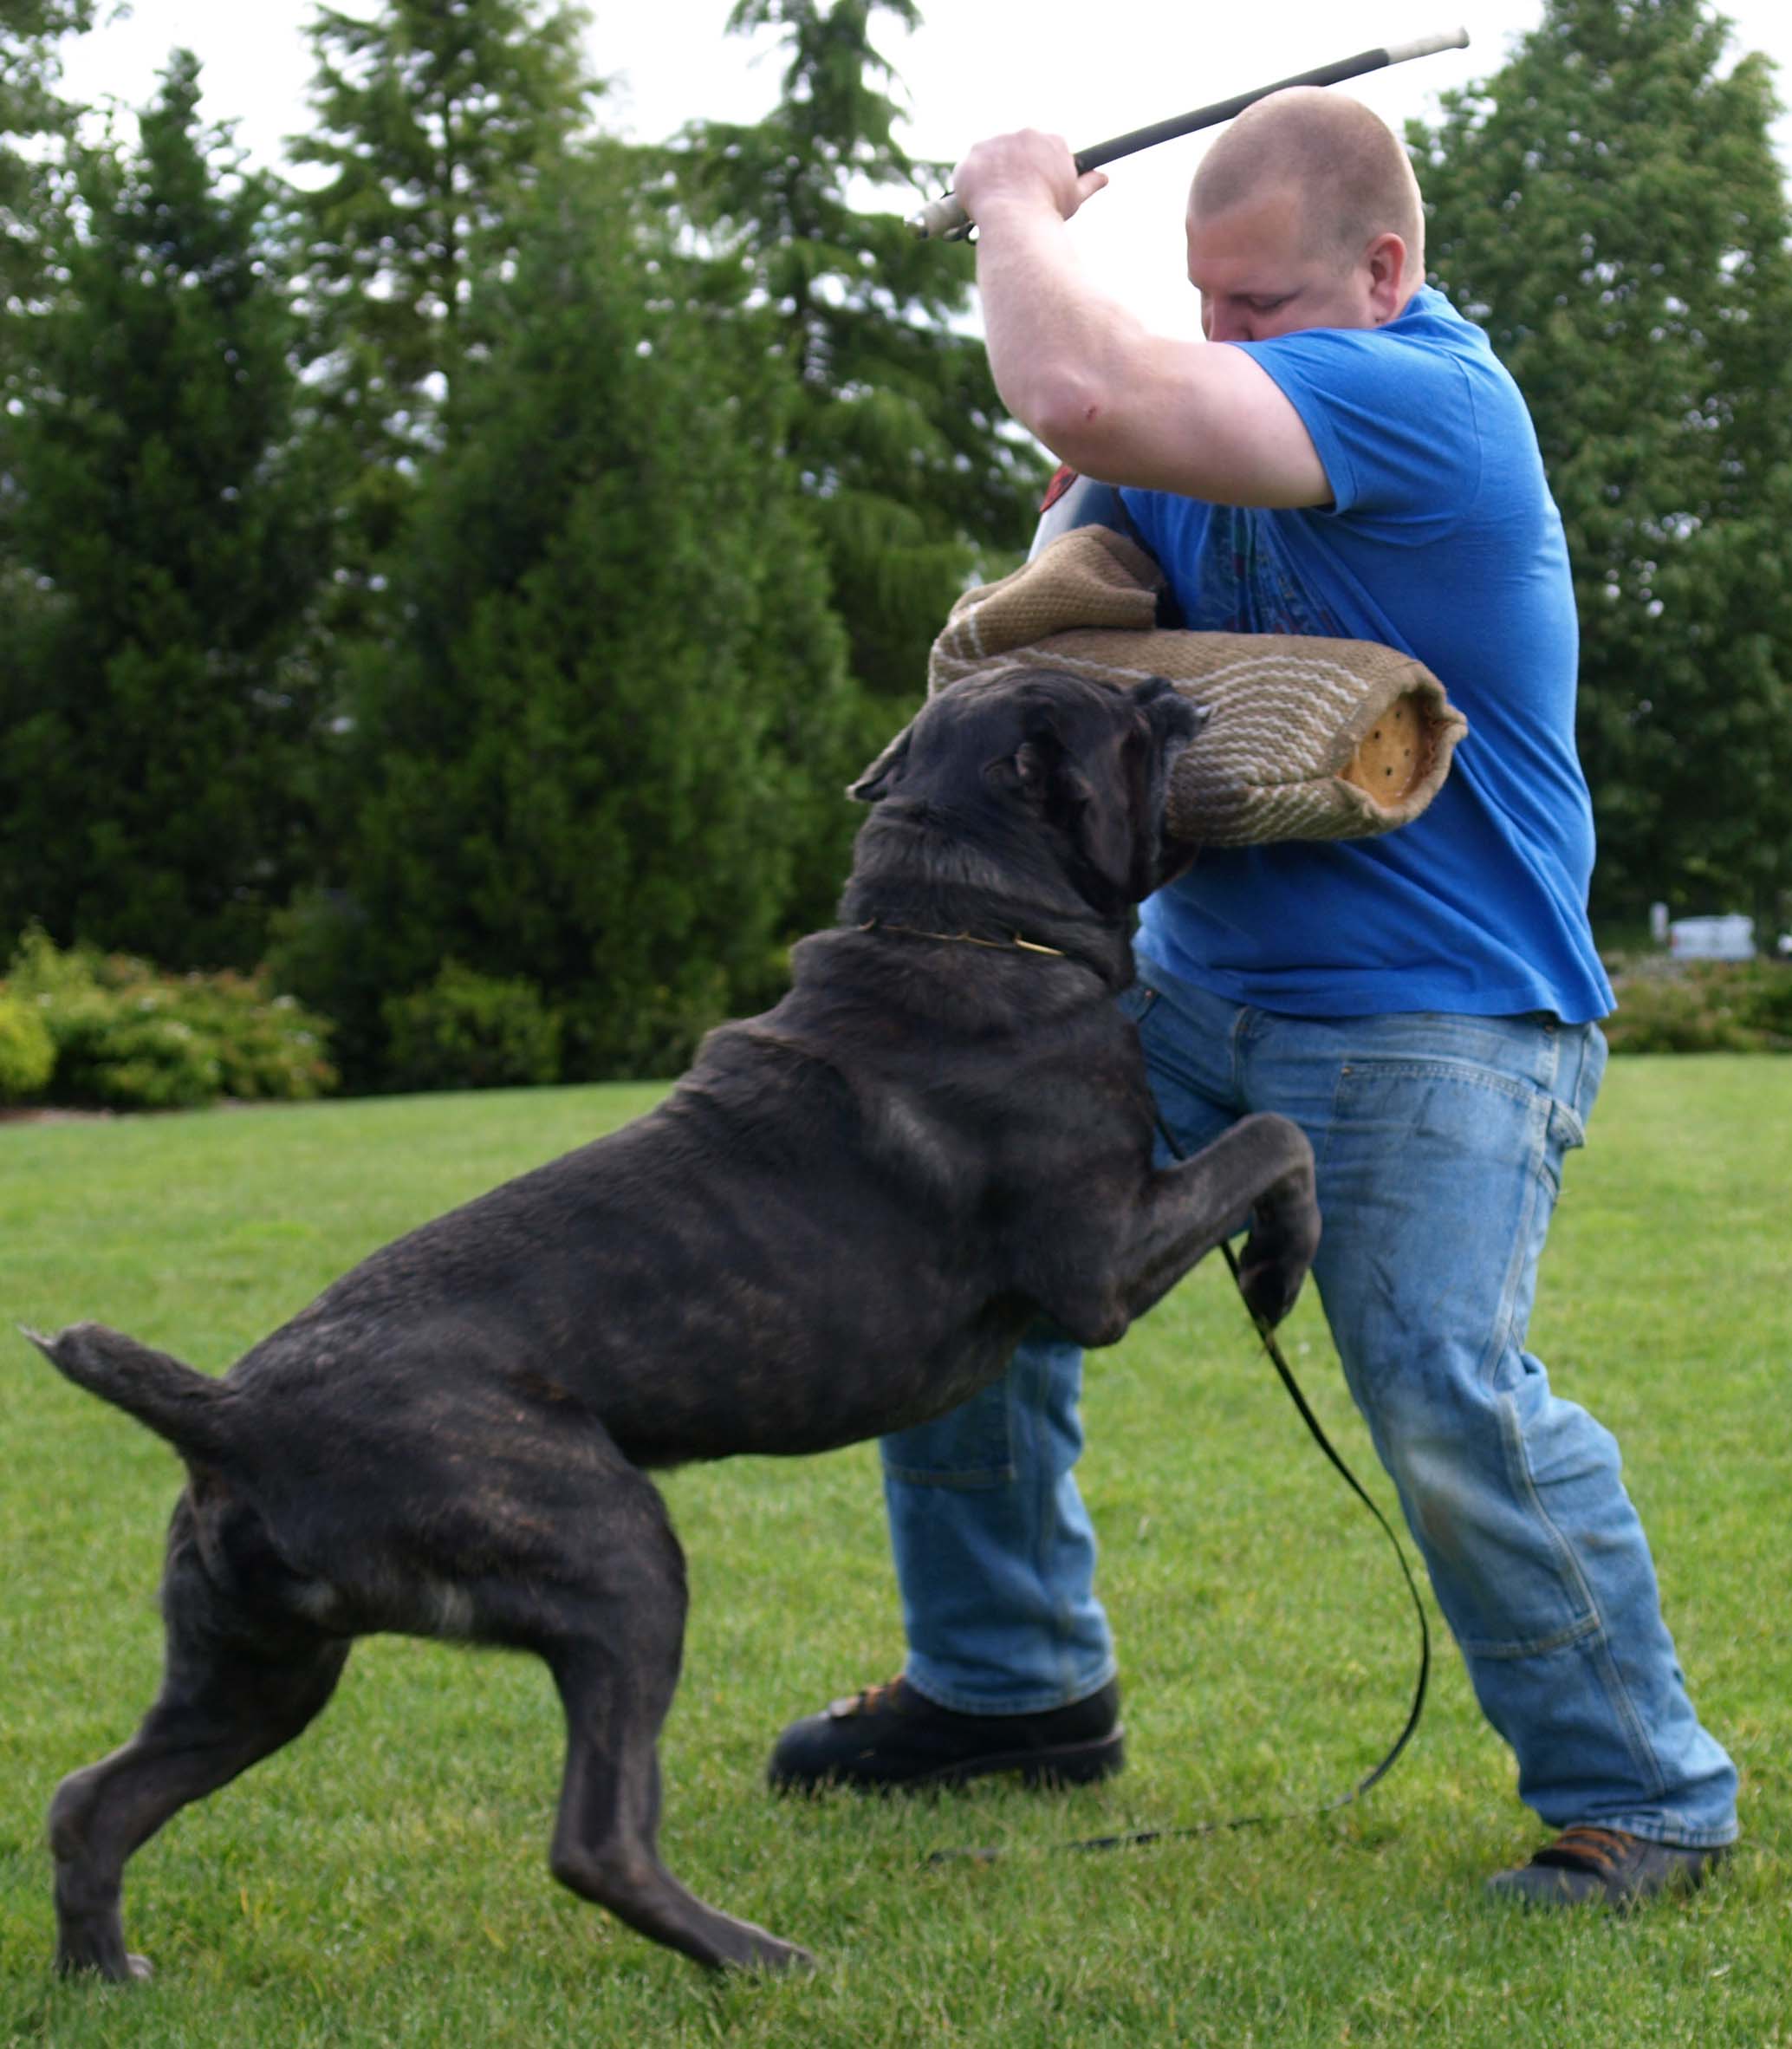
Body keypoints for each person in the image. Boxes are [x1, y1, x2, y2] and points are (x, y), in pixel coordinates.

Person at [767, 89, 1738, 1904]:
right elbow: (1090, 497)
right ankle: (1008, 1689)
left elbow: (1075, 392)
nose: (1219, 338)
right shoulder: (1229, 402)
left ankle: (1644, 1799)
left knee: (1437, 1380)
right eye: (1200, 305)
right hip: (1184, 988)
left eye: (1259, 306)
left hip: (1442, 1015)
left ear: (1381, 272)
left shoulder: (1431, 402)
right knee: (945, 1248)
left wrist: (1005, 204)